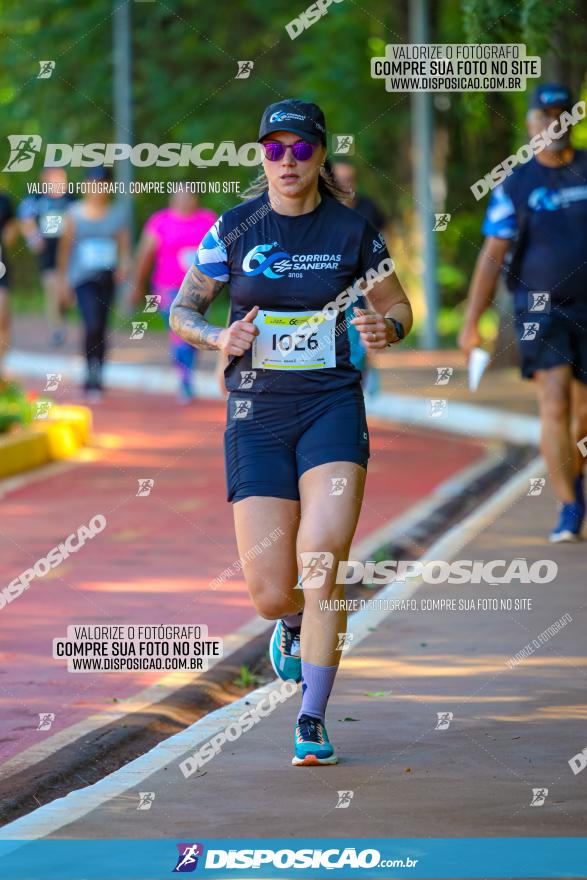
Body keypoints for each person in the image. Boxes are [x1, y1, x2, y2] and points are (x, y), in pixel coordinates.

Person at [170, 99, 412, 765]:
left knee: (321, 562)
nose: (285, 161)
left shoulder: (351, 231)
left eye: (299, 149)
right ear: (260, 157)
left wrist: (384, 328)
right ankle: (290, 622)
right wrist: (220, 334)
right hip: (255, 416)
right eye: (272, 149)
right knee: (272, 589)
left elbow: (397, 305)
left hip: (331, 407)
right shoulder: (235, 227)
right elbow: (181, 308)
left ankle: (310, 717)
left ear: (318, 155)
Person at [459, 83, 587, 543]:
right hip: (540, 308)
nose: (553, 124)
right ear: (530, 124)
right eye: (544, 116)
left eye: (562, 114)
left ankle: (579, 479)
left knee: (583, 414)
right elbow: (491, 256)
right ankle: (570, 506)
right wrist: (472, 323)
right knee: (554, 399)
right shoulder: (515, 183)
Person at [132, 186, 217, 402]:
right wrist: (137, 286)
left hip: (201, 288)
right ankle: (185, 380)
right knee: (179, 331)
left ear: (196, 198)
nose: (184, 200)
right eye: (179, 195)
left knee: (194, 333)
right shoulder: (160, 222)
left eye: (189, 195)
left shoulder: (207, 220)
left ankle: (186, 372)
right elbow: (145, 255)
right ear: (172, 199)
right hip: (167, 288)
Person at [57, 167, 131, 399]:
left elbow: (125, 247)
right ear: (86, 186)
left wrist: (124, 266)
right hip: (82, 278)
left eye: (102, 184)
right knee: (91, 323)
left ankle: (99, 373)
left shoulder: (117, 214)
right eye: (93, 184)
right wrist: (64, 282)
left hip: (106, 277)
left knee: (102, 326)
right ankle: (89, 370)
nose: (98, 189)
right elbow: (64, 250)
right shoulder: (74, 213)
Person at [333, 160, 387, 394]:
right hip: (339, 278)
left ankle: (369, 371)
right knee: (348, 324)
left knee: (368, 321)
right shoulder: (326, 209)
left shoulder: (368, 207)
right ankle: (351, 370)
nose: (346, 184)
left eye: (350, 179)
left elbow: (385, 237)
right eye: (341, 179)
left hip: (370, 275)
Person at [18, 167, 74, 346]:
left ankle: (62, 313)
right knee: (53, 289)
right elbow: (25, 220)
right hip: (47, 252)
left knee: (66, 295)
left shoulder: (71, 201)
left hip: (70, 253)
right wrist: (34, 238)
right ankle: (57, 329)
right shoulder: (35, 200)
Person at [0, 191, 18, 384]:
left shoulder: (4, 200)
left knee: (2, 317)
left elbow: (11, 236)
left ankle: (1, 366)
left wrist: (10, 231)